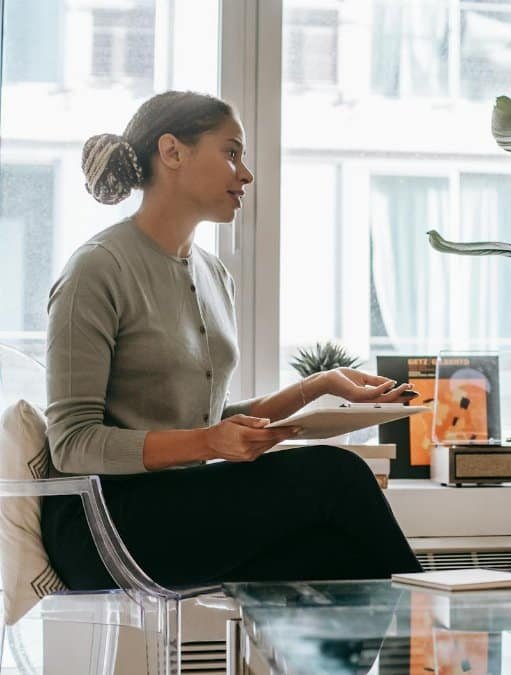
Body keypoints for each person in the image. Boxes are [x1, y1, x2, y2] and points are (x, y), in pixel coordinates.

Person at [42, 90, 424, 590]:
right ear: (173, 152)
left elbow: (203, 421)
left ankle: (406, 660)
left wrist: (318, 388)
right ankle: (438, 643)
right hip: (101, 521)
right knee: (336, 476)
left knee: (335, 555)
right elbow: (72, 444)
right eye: (231, 152)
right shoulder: (97, 269)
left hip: (177, 503)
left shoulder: (214, 274)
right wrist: (207, 442)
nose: (245, 174)